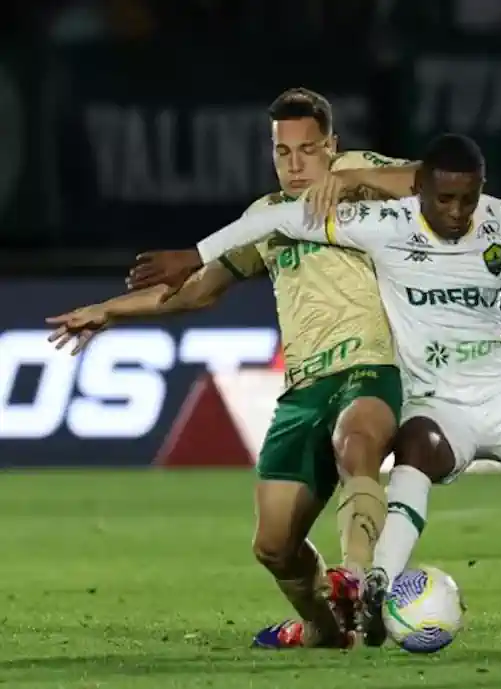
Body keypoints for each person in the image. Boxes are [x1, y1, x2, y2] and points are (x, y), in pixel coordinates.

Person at [125, 133, 501, 651]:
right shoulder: (381, 225)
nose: (457, 213)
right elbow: (280, 216)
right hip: (435, 402)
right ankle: (374, 589)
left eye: (467, 200)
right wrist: (195, 253)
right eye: (445, 199)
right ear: (419, 189)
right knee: (416, 447)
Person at [47, 88, 420, 650]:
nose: (296, 164)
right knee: (274, 545)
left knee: (356, 444)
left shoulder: (361, 176)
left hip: (373, 365)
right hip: (304, 388)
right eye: (283, 152)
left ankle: (361, 576)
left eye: (309, 150)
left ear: (332, 146)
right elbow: (195, 291)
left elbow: (433, 178)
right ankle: (324, 628)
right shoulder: (264, 219)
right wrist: (108, 312)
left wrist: (343, 180)